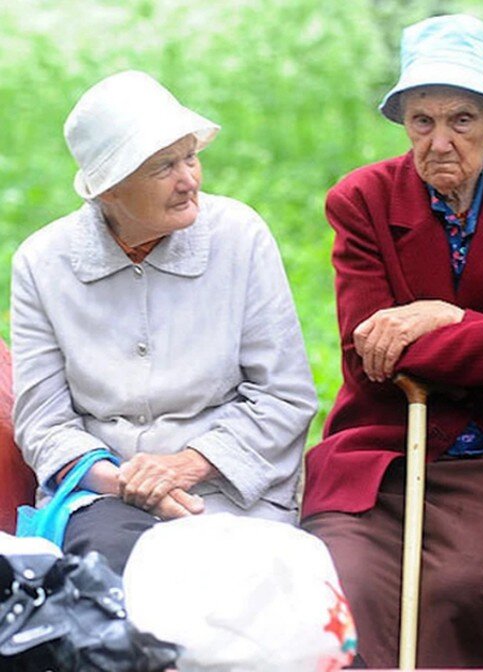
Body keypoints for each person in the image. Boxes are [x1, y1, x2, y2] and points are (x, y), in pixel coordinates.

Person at [300, 14, 483, 669]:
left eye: (461, 120)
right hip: (380, 456)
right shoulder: (362, 201)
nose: (438, 142)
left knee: (453, 589)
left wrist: (440, 320)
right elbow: (369, 356)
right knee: (345, 583)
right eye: (421, 120)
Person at [12, 70, 318, 574]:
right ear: (109, 189)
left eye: (190, 157)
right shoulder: (42, 263)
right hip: (105, 497)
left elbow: (284, 396)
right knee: (112, 583)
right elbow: (44, 422)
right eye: (163, 167)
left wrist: (184, 467)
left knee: (238, 584)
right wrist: (126, 482)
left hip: (228, 490)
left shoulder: (239, 236)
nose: (189, 180)